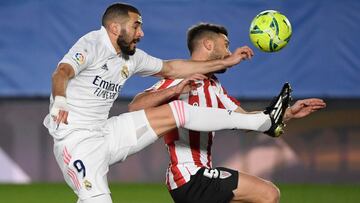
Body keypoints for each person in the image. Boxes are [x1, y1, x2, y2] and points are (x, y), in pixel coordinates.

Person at [43, 3, 291, 203]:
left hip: (105, 133)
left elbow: (173, 67)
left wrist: (226, 62)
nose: (141, 32)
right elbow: (62, 72)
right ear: (115, 27)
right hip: (76, 143)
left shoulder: (131, 58)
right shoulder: (92, 43)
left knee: (178, 111)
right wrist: (60, 101)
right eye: (136, 25)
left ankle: (264, 121)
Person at [129, 23, 326, 203]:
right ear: (208, 44)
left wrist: (289, 113)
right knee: (268, 194)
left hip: (199, 176)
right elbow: (135, 106)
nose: (229, 52)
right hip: (189, 175)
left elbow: (248, 121)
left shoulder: (214, 86)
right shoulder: (179, 78)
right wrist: (173, 91)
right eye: (225, 45)